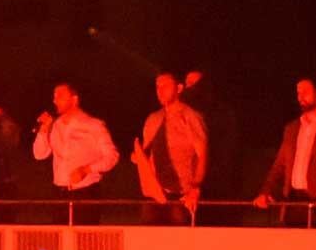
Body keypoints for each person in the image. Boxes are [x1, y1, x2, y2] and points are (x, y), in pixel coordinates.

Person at [253, 76, 316, 224]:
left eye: (306, 91)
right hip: (293, 204)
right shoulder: (292, 128)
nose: (301, 96)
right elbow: (279, 166)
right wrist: (266, 192)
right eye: (298, 92)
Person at [31, 81, 120, 222]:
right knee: (60, 239)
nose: (55, 100)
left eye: (60, 96)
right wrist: (43, 129)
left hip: (85, 193)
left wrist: (86, 170)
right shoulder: (55, 125)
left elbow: (112, 157)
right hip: (59, 194)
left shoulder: (93, 125)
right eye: (54, 96)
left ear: (74, 99)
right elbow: (39, 154)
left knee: (84, 240)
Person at [132, 71, 208, 224]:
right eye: (157, 86)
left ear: (179, 88)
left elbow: (203, 155)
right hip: (154, 195)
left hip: (180, 195)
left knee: (177, 242)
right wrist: (138, 157)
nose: (160, 90)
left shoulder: (190, 116)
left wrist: (195, 188)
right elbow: (144, 153)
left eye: (165, 86)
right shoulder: (153, 119)